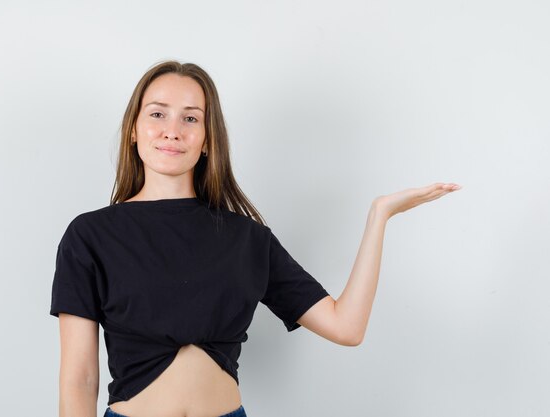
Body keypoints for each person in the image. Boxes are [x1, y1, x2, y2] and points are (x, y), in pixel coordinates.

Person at [49, 59, 461, 417]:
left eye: (191, 118)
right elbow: (80, 378)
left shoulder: (247, 238)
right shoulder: (90, 236)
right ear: (133, 130)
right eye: (157, 114)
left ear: (208, 138)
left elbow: (346, 327)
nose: (172, 130)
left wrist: (379, 216)